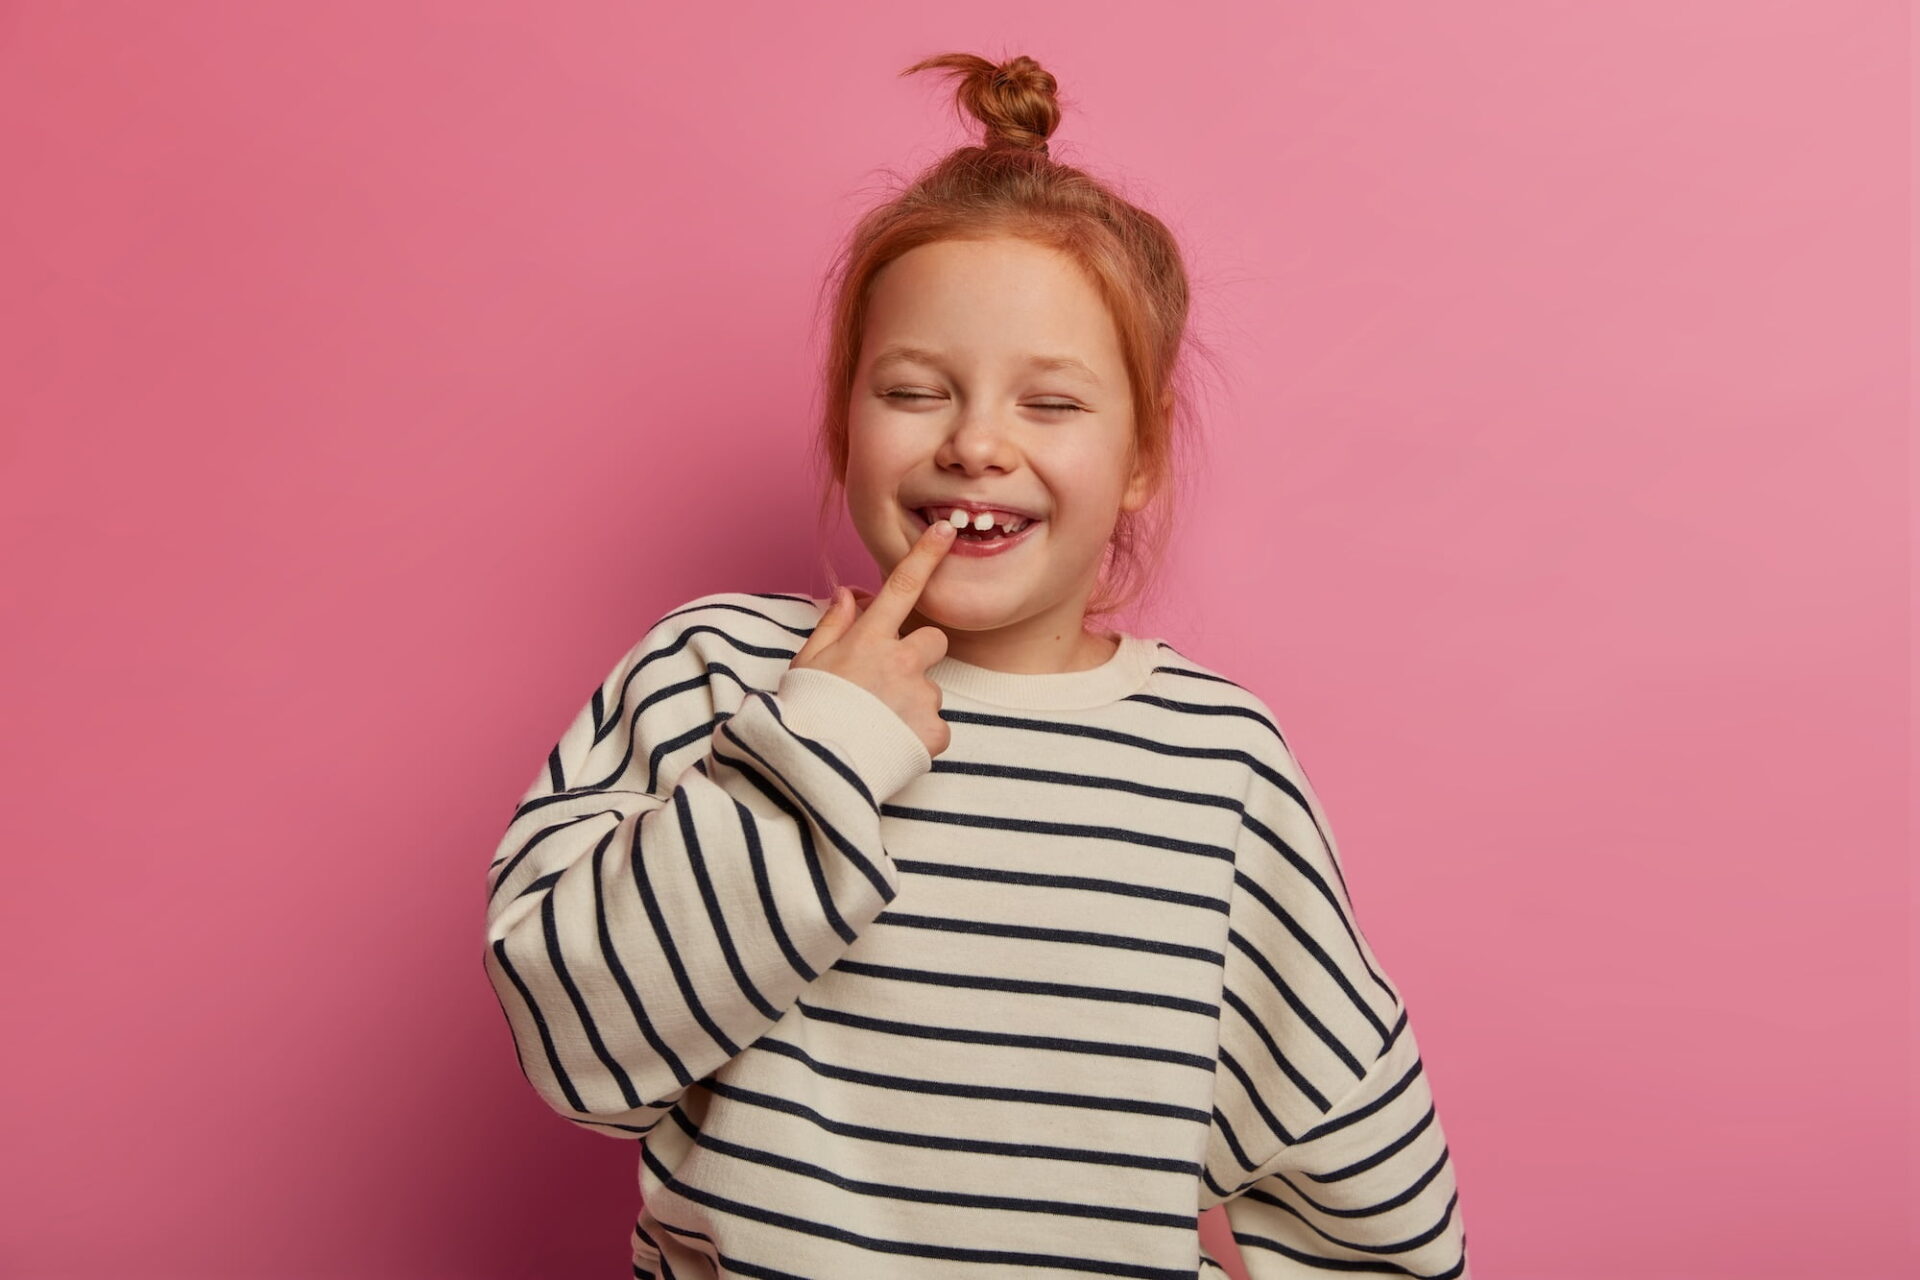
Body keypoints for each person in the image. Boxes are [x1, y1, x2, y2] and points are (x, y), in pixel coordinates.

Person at [483, 51, 1471, 1280]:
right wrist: (822, 748)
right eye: (912, 390)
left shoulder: (1219, 766)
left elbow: (1363, 1183)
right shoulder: (712, 674)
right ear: (846, 416)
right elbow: (576, 1046)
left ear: (1143, 457)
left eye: (1050, 405)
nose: (977, 443)